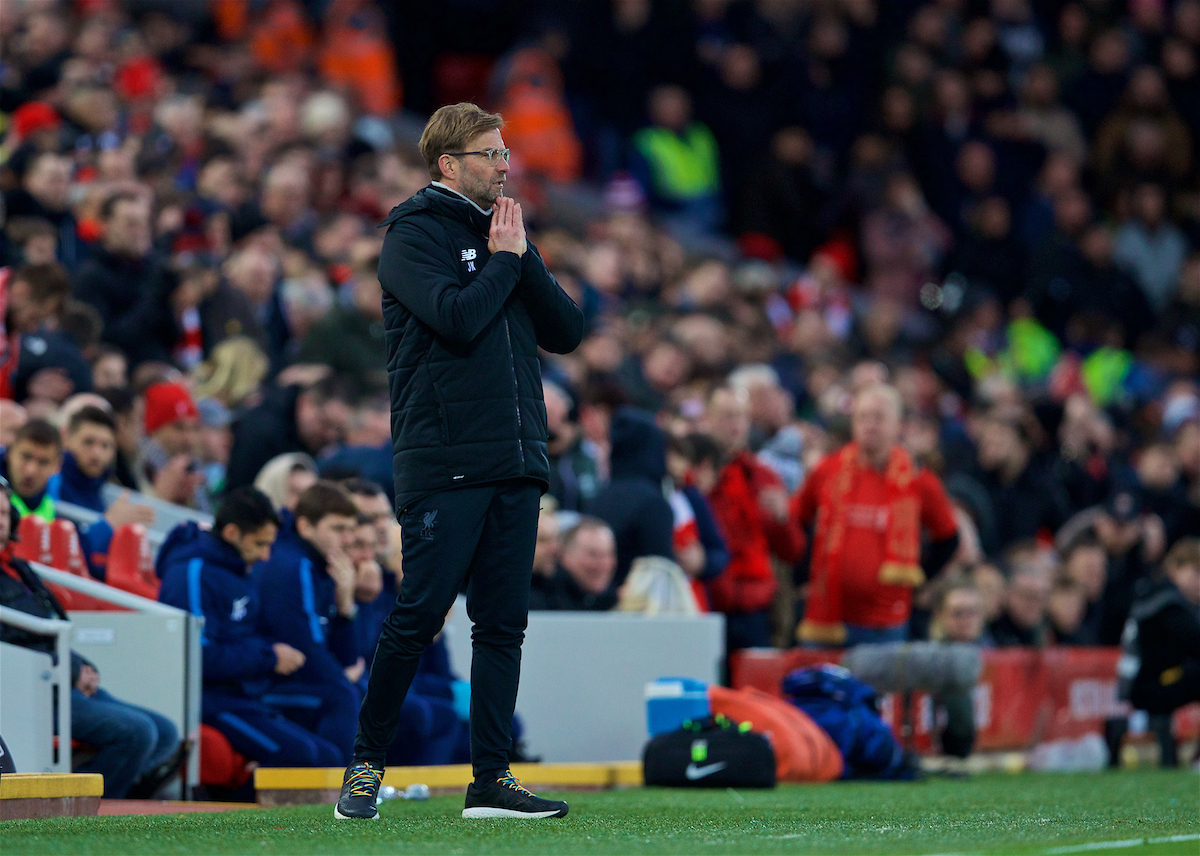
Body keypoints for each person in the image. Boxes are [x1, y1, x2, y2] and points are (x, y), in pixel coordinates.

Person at [337, 103, 583, 822]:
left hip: (515, 458)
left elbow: (567, 330)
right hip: (445, 458)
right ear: (449, 164)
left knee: (502, 624)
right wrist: (506, 260)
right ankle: (364, 766)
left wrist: (519, 255)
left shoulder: (501, 231)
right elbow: (457, 318)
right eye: (490, 154)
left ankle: (490, 781)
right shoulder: (411, 235)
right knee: (419, 613)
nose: (505, 165)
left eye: (505, 153)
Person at [0, 483, 181, 796]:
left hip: (58, 677)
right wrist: (70, 670)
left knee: (165, 733)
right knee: (137, 734)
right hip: (29, 688)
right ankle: (78, 809)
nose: (0, 520)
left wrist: (80, 665)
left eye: (3, 512)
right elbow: (15, 641)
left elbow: (47, 625)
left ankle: (92, 795)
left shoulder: (17, 567)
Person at [157, 487, 343, 766]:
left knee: (329, 750)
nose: (267, 556)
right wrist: (269, 657)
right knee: (305, 758)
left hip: (247, 694)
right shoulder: (192, 574)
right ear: (232, 533)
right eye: (259, 544)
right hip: (210, 701)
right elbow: (199, 656)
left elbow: (244, 637)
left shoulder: (240, 570)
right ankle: (224, 807)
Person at [794, 384, 960, 647]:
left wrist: (916, 581)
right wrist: (802, 577)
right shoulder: (829, 469)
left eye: (879, 418)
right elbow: (797, 521)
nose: (870, 425)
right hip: (827, 618)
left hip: (885, 624)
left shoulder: (917, 480)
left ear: (898, 425)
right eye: (863, 417)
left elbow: (949, 538)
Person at [252, 481, 363, 764]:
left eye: (351, 529)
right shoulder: (293, 565)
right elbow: (305, 646)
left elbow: (347, 657)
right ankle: (343, 790)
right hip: (264, 685)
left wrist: (346, 604)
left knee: (358, 691)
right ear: (305, 527)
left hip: (294, 681)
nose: (349, 539)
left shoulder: (322, 565)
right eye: (338, 529)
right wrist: (342, 676)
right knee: (341, 695)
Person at [704, 385, 805, 651]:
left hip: (754, 610)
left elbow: (792, 550)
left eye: (741, 416)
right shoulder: (696, 475)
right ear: (709, 419)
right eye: (727, 416)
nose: (735, 425)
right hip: (708, 604)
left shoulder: (763, 477)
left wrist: (782, 518)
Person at [49, 405, 154, 578]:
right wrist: (108, 524)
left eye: (106, 446)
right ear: (66, 438)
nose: (97, 453)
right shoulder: (52, 485)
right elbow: (57, 555)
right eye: (88, 442)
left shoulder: (106, 493)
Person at [586, 407, 676, 589]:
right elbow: (661, 575)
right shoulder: (653, 504)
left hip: (601, 604)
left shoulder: (600, 496)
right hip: (637, 608)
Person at [224, 375, 355, 491]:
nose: (331, 435)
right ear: (306, 402)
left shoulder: (311, 440)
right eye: (325, 423)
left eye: (338, 430)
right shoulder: (262, 432)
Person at [1119, 539, 1200, 726]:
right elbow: (1195, 640)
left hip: (1149, 684)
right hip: (1146, 690)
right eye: (1196, 572)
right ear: (1174, 568)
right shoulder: (1167, 605)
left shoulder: (1158, 595)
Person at [135, 381, 208, 511]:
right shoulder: (140, 465)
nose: (189, 437)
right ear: (155, 430)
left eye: (194, 428)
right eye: (178, 427)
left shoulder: (193, 467)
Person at [529, 517, 619, 611]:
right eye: (593, 555)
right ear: (565, 555)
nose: (604, 564)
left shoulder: (613, 600)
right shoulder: (540, 601)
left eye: (608, 554)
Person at [0, 419, 62, 522]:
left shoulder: (50, 508)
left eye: (43, 462)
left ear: (57, 466)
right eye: (26, 456)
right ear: (9, 452)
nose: (31, 471)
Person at [988, 565, 1051, 647]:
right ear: (1008, 594)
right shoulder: (991, 630)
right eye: (1028, 596)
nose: (1034, 604)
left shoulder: (1049, 628)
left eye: (1040, 598)